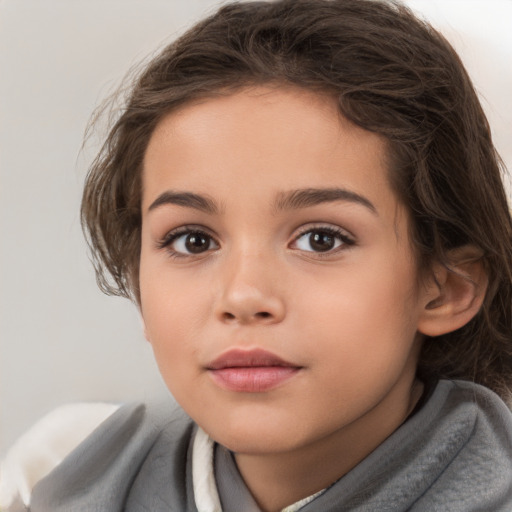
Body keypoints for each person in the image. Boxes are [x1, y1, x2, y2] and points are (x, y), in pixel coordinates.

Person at [1, 0, 512, 510]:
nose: (243, 296)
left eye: (321, 239)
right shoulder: (56, 474)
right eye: (192, 241)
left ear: (447, 288)